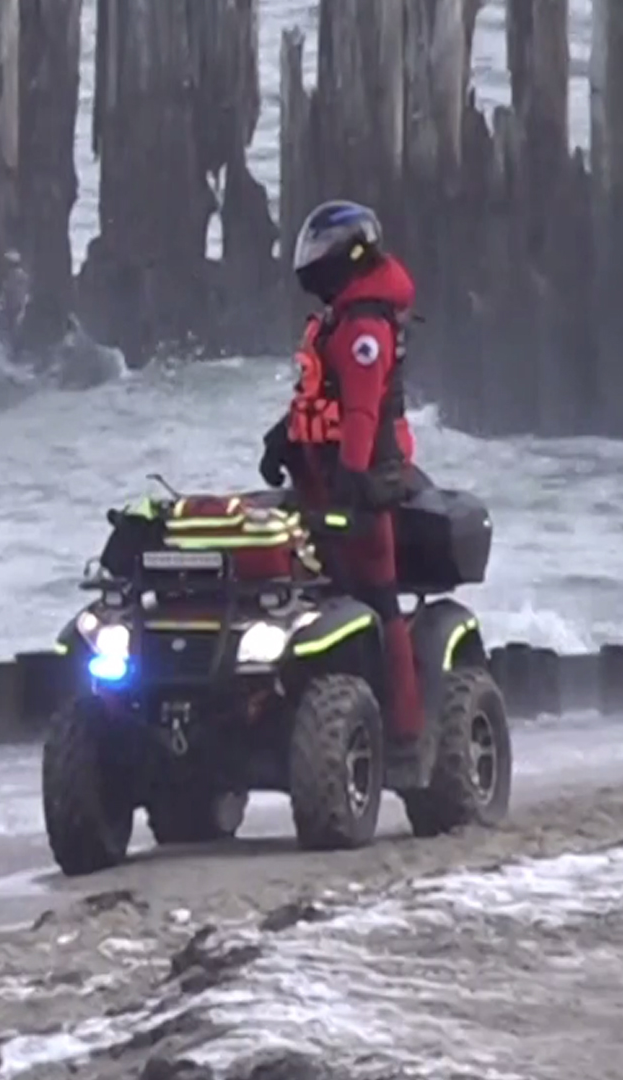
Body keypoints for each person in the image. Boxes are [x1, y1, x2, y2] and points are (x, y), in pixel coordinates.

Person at [258, 199, 425, 765]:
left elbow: (361, 410)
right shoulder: (341, 318)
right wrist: (283, 438)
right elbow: (318, 396)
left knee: (378, 594)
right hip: (324, 474)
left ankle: (405, 730)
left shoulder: (363, 327)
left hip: (363, 478)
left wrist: (353, 477)